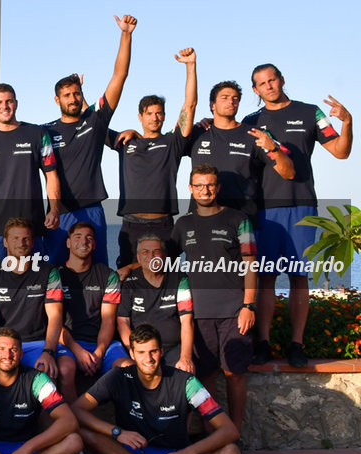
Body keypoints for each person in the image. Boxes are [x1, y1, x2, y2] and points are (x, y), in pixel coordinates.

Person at [243, 65, 353, 367]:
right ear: (255, 90)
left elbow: (341, 152)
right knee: (265, 278)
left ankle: (296, 344)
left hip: (303, 206)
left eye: (272, 80)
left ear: (281, 80)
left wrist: (348, 123)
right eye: (261, 84)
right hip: (265, 211)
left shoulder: (310, 113)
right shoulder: (251, 121)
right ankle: (263, 343)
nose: (268, 86)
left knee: (298, 277)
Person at [73, 324, 241, 454]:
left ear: (161, 351)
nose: (148, 359)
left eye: (153, 351)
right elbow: (77, 410)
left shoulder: (186, 382)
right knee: (83, 433)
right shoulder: (118, 377)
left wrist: (187, 453)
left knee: (231, 452)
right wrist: (117, 432)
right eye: (141, 353)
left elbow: (229, 430)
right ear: (131, 354)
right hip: (130, 453)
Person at [43, 15, 138, 264]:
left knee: (96, 273)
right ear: (57, 100)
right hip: (58, 214)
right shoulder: (44, 132)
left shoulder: (94, 121)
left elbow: (120, 76)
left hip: (92, 210)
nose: (73, 99)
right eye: (67, 95)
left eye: (77, 93)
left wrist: (126, 35)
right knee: (55, 276)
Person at [172, 164, 257, 432]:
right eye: (199, 185)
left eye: (210, 185)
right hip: (198, 313)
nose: (204, 190)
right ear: (190, 188)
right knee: (206, 374)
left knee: (234, 373)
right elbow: (164, 261)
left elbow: (250, 264)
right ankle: (214, 433)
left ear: (217, 187)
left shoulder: (238, 219)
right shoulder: (183, 224)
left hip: (234, 311)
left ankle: (236, 432)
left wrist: (248, 305)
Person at [113, 48, 197, 273]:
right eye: (149, 113)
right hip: (131, 224)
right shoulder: (125, 141)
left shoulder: (172, 142)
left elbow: (189, 107)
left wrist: (190, 66)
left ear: (165, 116)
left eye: (159, 113)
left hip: (163, 224)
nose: (155, 117)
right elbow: (94, 124)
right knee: (128, 278)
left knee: (166, 277)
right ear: (140, 116)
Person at [0, 218, 77, 402]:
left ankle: (58, 428)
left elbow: (55, 316)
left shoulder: (49, 273)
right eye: (15, 238)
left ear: (33, 242)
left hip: (37, 343)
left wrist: (48, 352)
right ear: (5, 241)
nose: (21, 243)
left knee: (46, 374)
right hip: (4, 345)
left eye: (26, 239)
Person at [0, 83, 60, 259]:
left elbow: (51, 175)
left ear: (16, 103)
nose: (4, 106)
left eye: (9, 101)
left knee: (33, 284)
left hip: (31, 227)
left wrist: (55, 209)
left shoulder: (38, 134)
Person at [185, 81, 294, 221]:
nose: (231, 101)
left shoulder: (254, 134)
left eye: (235, 98)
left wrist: (274, 149)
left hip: (242, 222)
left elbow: (289, 173)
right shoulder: (197, 133)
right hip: (201, 221)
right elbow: (186, 112)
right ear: (212, 105)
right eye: (224, 97)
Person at [58, 222, 130, 377]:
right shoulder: (55, 275)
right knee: (65, 370)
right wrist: (77, 350)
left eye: (89, 237)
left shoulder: (108, 276)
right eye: (77, 237)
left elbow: (108, 320)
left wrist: (99, 352)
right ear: (68, 242)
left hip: (102, 343)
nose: (84, 242)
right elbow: (54, 321)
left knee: (128, 369)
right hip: (67, 343)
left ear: (95, 244)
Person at [116, 236, 194, 372]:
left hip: (173, 348)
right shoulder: (129, 282)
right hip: (142, 349)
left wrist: (185, 357)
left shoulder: (179, 279)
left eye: (156, 252)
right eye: (145, 252)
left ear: (165, 256)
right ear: (138, 258)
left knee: (184, 373)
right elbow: (122, 321)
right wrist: (135, 350)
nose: (151, 256)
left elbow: (187, 321)